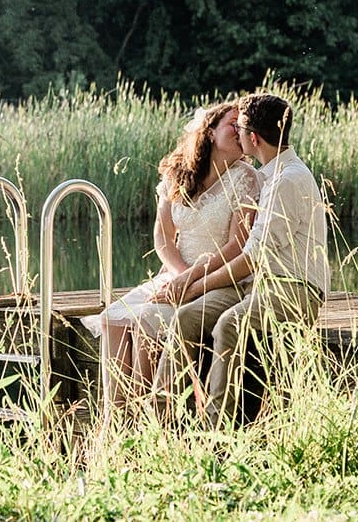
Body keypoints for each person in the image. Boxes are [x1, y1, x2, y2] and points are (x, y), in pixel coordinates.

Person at [80, 102, 260, 408]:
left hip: (215, 279)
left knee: (146, 320)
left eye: (243, 126)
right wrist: (178, 275)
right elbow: (162, 238)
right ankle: (115, 418)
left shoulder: (246, 178)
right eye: (233, 124)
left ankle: (144, 421)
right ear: (210, 130)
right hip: (174, 274)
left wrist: (191, 279)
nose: (240, 131)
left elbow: (236, 245)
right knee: (114, 317)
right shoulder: (179, 174)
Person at [167, 91, 329, 426]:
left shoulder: (288, 180)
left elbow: (251, 258)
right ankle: (168, 420)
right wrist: (195, 290)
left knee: (229, 323)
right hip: (259, 285)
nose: (238, 138)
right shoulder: (271, 176)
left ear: (253, 138)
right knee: (185, 319)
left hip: (294, 289)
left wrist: (196, 285)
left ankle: (217, 432)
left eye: (240, 131)